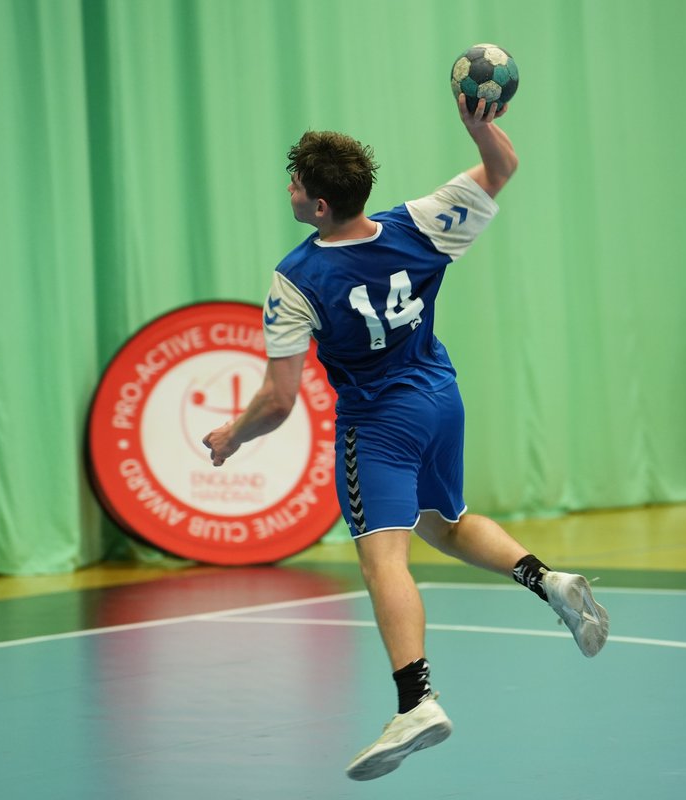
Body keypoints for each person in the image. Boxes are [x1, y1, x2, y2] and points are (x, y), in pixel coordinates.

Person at [202, 95, 609, 781]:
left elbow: (277, 400)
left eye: (298, 182)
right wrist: (480, 129)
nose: (291, 189)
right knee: (442, 523)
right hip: (438, 395)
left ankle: (415, 700)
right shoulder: (419, 224)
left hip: (377, 420)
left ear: (321, 206)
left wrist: (232, 437)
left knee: (382, 560)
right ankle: (551, 581)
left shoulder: (297, 279)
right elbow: (502, 166)